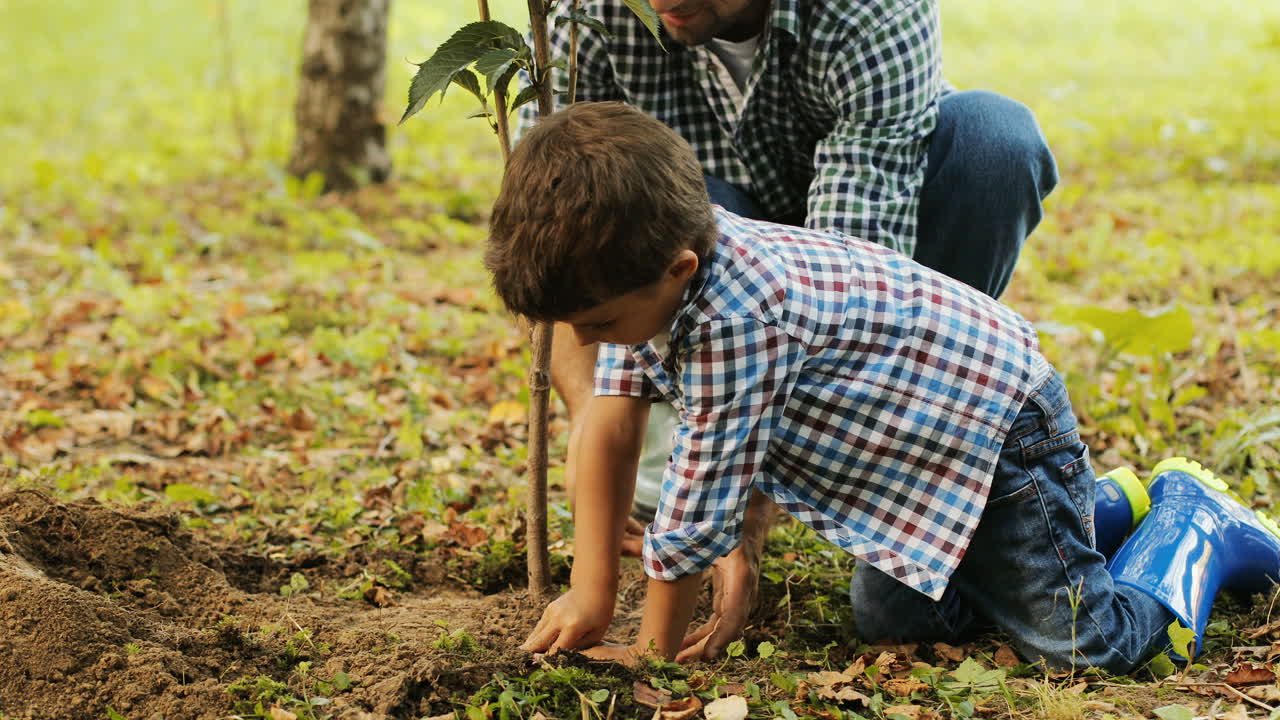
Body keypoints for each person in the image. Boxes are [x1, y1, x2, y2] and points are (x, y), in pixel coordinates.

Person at [492, 102, 1280, 672]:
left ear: (678, 271)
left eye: (594, 324)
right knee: (893, 616)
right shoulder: (655, 288)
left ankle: (1193, 523)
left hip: (993, 429)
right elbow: (610, 421)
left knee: (1084, 645)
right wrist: (592, 595)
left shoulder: (739, 315)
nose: (586, 343)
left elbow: (699, 509)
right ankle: (1097, 510)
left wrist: (652, 656)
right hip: (917, 467)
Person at [523, 0, 1061, 658]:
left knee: (993, 142)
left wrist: (734, 517)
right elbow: (559, 244)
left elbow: (839, 287)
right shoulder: (585, 13)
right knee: (898, 613)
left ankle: (985, 470)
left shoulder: (871, 12)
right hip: (700, 241)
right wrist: (590, 436)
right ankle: (1068, 510)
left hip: (835, 288)